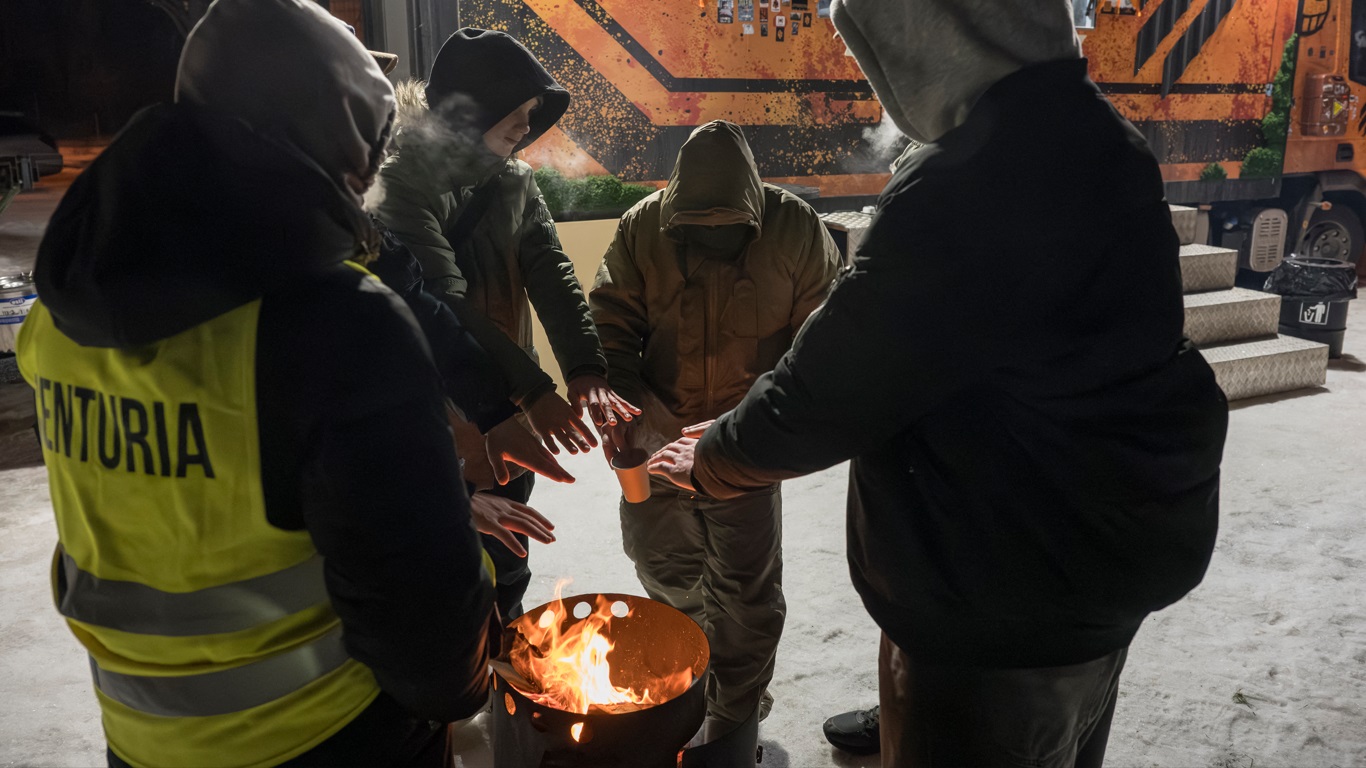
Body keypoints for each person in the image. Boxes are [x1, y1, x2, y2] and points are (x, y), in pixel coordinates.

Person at [648, 1, 1229, 765]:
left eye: (879, 48)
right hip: (1099, 543)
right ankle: (923, 715)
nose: (876, 74)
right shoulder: (1096, 133)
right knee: (1061, 715)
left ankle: (946, 721)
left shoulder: (973, 182)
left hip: (1006, 591)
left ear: (938, 36)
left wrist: (719, 455)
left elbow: (843, 378)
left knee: (989, 724)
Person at [17, 0, 513, 764]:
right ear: (338, 144)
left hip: (141, 739)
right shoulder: (340, 324)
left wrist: (429, 495)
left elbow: (198, 498)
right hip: (324, 735)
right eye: (370, 153)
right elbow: (427, 631)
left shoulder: (61, 316)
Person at [373, 27, 638, 619]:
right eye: (512, 112)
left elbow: (551, 272)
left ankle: (505, 655)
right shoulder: (402, 184)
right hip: (440, 398)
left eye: (530, 113)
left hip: (508, 395)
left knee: (510, 542)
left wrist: (584, 369)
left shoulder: (515, 180)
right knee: (444, 546)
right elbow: (443, 305)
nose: (525, 125)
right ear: (469, 113)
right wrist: (532, 390)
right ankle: (457, 677)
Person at [590, 120, 841, 736]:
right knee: (663, 568)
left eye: (727, 228)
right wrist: (624, 411)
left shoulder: (796, 229)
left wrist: (770, 427)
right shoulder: (641, 227)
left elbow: (827, 343)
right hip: (652, 438)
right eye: (699, 228)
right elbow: (611, 324)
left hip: (743, 446)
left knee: (746, 597)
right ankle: (692, 681)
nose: (712, 239)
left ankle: (734, 721)